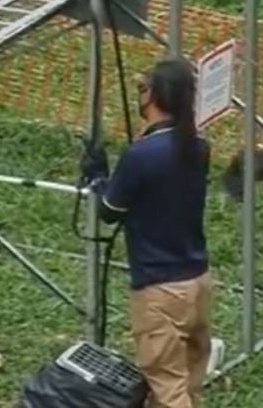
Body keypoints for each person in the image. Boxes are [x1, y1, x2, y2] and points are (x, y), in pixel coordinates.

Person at [90, 56, 213, 408]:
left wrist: (98, 180)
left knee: (168, 388)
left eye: (142, 88)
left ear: (152, 95)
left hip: (160, 291)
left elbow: (110, 212)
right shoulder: (198, 146)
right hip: (198, 282)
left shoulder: (141, 154)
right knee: (188, 383)